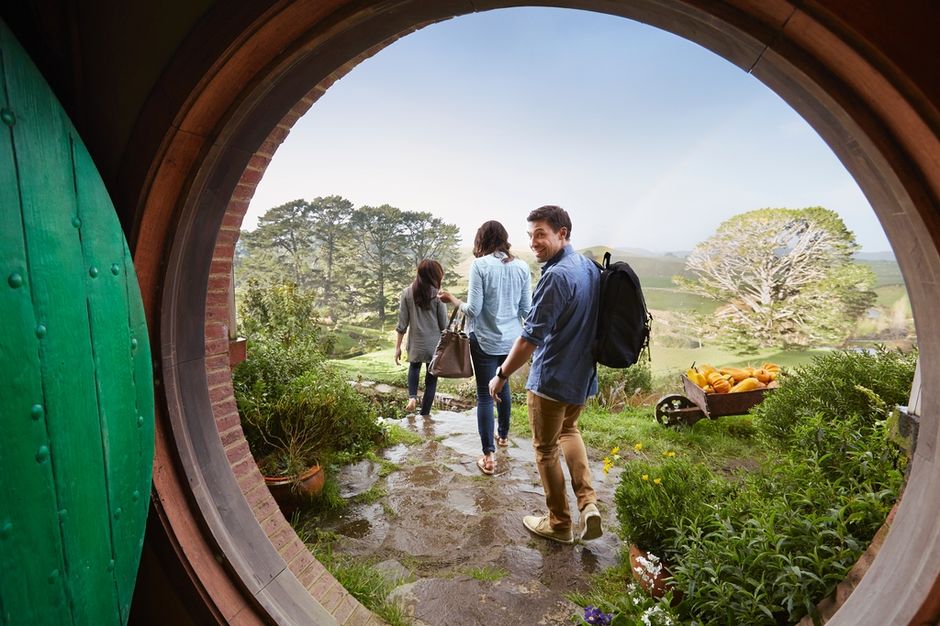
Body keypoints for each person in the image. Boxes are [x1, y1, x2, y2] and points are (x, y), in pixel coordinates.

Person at [487, 205, 603, 544]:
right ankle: (589, 504)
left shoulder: (556, 276)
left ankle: (559, 523)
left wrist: (502, 375)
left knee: (546, 449)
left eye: (541, 234)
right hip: (582, 375)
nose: (535, 242)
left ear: (562, 233)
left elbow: (529, 339)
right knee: (570, 429)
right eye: (531, 235)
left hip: (552, 379)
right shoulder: (587, 267)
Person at [438, 221, 531, 476]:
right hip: (512, 341)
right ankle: (502, 437)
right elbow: (526, 311)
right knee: (504, 384)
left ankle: (489, 458)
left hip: (484, 340)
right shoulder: (522, 267)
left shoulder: (480, 266)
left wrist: (453, 300)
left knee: (484, 394)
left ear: (482, 240)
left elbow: (474, 310)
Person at [395, 259, 449, 418]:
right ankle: (425, 414)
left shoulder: (407, 292)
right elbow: (443, 325)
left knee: (414, 367)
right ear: (434, 275)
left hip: (416, 343)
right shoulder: (438, 294)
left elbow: (402, 324)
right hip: (434, 345)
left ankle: (412, 398)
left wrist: (397, 347)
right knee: (431, 380)